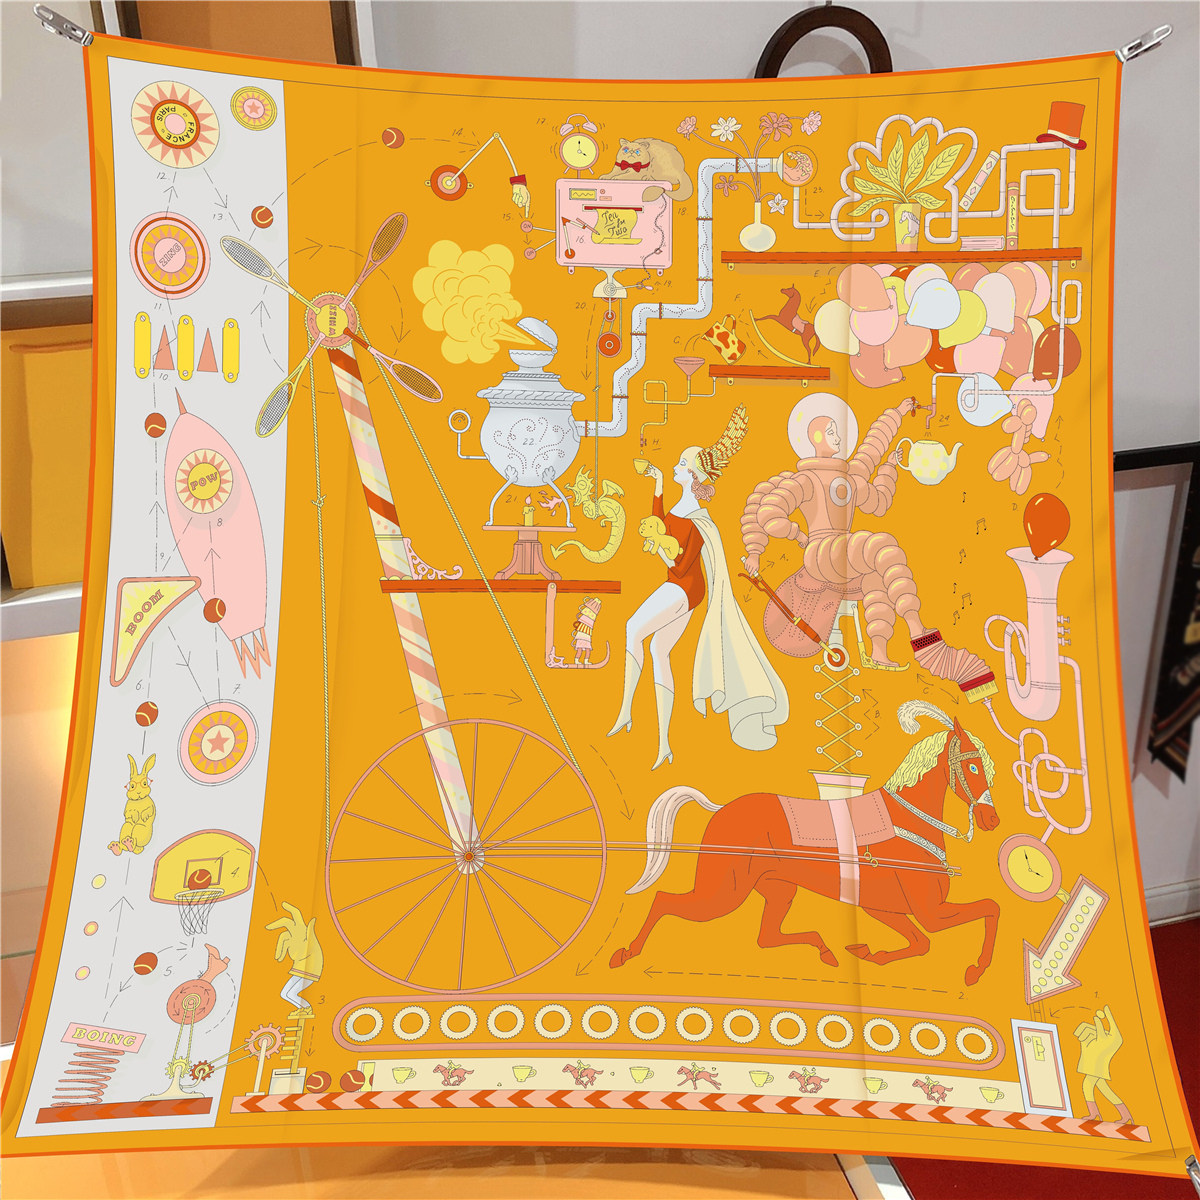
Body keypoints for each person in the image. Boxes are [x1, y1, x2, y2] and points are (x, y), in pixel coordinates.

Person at [608, 406, 788, 766]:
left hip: (684, 588)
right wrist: (658, 484)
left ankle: (626, 710)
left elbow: (678, 563)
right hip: (681, 587)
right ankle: (664, 744)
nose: (675, 466)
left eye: (680, 464)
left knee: (632, 629)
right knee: (658, 651)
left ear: (692, 475)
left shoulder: (696, 519)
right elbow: (661, 525)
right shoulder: (681, 508)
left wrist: (658, 545)